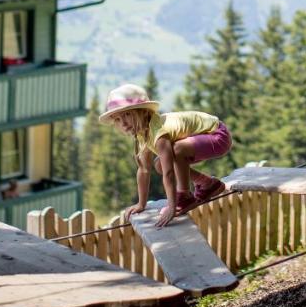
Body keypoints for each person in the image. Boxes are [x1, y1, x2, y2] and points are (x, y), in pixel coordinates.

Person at [98, 83, 232, 227]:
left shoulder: (158, 133)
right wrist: (141, 204)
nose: (123, 123)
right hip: (206, 139)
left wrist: (172, 206)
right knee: (159, 164)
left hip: (218, 135)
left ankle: (185, 196)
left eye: (127, 114)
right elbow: (143, 170)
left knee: (177, 150)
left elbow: (168, 174)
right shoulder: (143, 134)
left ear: (143, 111)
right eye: (117, 119)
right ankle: (207, 183)